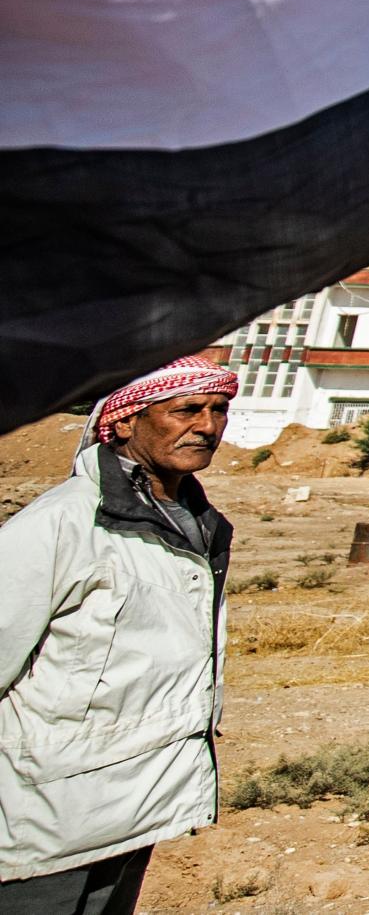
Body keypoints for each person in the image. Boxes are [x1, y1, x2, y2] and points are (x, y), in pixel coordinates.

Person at [0, 355, 239, 915]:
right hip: (46, 813)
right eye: (185, 409)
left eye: (218, 409)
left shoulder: (201, 525)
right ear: (126, 421)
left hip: (141, 804)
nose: (206, 425)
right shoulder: (61, 524)